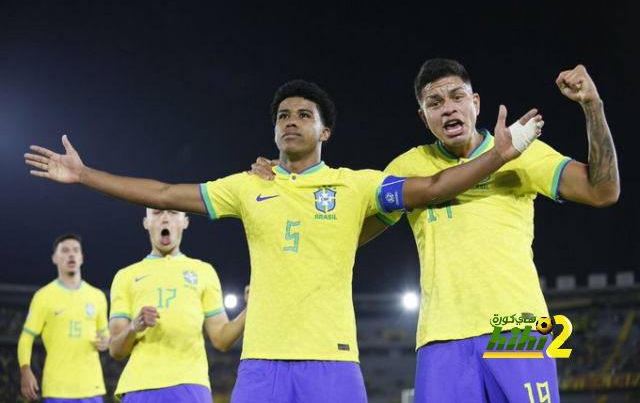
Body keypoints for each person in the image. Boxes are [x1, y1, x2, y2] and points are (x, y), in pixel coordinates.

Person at [24, 79, 542, 402]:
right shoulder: (249, 186)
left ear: (325, 132)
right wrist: (86, 175)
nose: (291, 122)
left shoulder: (356, 184)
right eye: (282, 116)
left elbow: (432, 187)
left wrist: (498, 153)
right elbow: (162, 191)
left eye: (303, 116)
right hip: (261, 365)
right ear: (274, 131)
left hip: (334, 361)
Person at [359, 61, 619, 402]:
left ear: (476, 103)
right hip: (442, 337)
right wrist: (291, 176)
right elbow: (354, 234)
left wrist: (593, 106)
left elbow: (603, 191)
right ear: (423, 116)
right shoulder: (409, 167)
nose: (448, 108)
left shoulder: (523, 151)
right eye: (434, 103)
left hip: (517, 328)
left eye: (457, 97)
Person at [108, 208, 248, 402]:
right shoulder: (125, 276)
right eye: (157, 213)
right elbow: (115, 350)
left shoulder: (203, 271)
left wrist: (250, 309)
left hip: (190, 384)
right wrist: (134, 326)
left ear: (185, 222)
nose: (165, 218)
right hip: (140, 386)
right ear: (146, 222)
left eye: (173, 212)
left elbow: (221, 339)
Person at [17, 233, 109, 402]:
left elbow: (106, 334)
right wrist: (25, 369)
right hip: (58, 389)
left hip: (92, 388)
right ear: (55, 258)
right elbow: (26, 337)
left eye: (76, 250)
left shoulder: (97, 296)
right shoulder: (43, 296)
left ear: (81, 257)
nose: (71, 254)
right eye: (65, 251)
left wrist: (106, 342)